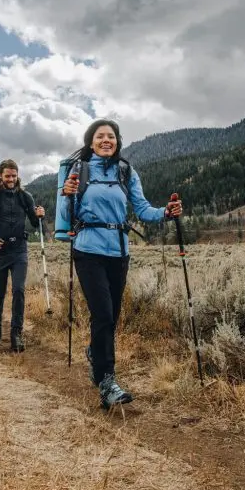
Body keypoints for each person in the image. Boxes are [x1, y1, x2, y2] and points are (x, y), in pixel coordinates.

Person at [55, 119, 182, 408]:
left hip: (119, 253)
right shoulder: (80, 170)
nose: (106, 140)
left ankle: (95, 354)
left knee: (110, 317)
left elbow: (143, 209)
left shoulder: (126, 172)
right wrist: (66, 193)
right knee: (102, 315)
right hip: (88, 250)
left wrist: (167, 212)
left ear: (117, 141)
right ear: (91, 143)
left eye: (110, 136)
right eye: (100, 136)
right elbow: (66, 209)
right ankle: (107, 381)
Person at [0, 159, 45, 352]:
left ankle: (16, 333)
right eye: (8, 176)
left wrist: (40, 215)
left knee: (19, 291)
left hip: (19, 250)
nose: (11, 179)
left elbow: (33, 221)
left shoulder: (25, 197)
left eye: (14, 175)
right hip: (0, 251)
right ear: (0, 176)